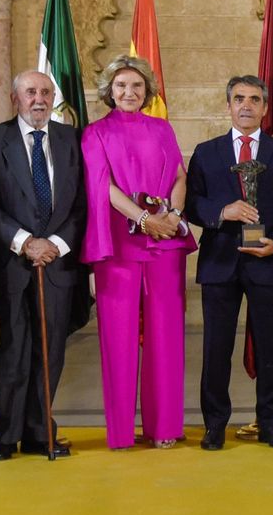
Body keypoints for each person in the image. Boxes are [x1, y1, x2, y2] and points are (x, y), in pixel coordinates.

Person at [0, 70, 86, 460]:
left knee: (50, 351)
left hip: (58, 264)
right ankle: (5, 435)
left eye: (45, 92)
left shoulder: (72, 140)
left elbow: (83, 203)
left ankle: (40, 433)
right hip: (11, 264)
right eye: (31, 92)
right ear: (15, 98)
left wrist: (53, 244)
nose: (39, 99)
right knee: (14, 350)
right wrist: (25, 243)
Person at [186, 76, 273, 450]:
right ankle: (215, 426)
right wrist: (222, 211)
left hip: (266, 261)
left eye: (255, 99)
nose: (246, 106)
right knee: (216, 347)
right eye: (239, 98)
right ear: (228, 105)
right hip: (220, 262)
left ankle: (271, 423)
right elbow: (191, 203)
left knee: (270, 346)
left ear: (266, 108)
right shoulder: (206, 152)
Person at [81, 55, 196, 450]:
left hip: (166, 242)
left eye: (136, 86)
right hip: (118, 245)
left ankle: (164, 426)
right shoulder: (94, 133)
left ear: (147, 92)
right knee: (119, 336)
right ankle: (120, 432)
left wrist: (172, 216)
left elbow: (180, 176)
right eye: (121, 86)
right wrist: (145, 221)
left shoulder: (162, 129)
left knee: (166, 335)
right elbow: (104, 187)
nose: (129, 93)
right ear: (109, 92)